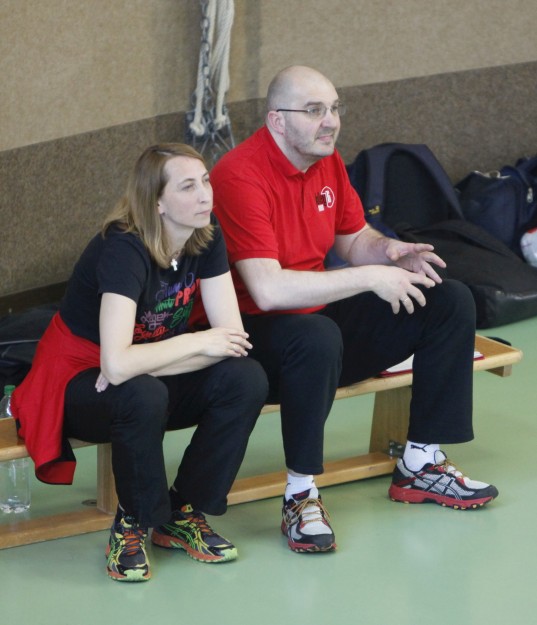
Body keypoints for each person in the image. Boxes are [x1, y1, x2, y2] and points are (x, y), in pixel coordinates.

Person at [203, 65, 499, 554]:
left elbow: (354, 238)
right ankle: (301, 495)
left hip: (321, 322)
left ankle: (421, 463)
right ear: (277, 121)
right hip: (255, 342)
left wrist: (390, 252)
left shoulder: (325, 160)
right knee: (317, 336)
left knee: (447, 299)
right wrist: (369, 277)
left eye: (335, 108)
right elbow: (268, 291)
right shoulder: (239, 175)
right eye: (314, 110)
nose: (331, 122)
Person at [11, 143, 268, 582]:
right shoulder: (123, 248)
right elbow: (115, 366)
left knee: (245, 378)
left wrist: (143, 362)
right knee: (141, 394)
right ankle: (132, 521)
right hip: (77, 380)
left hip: (138, 368)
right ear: (157, 202)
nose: (205, 194)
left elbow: (231, 342)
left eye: (205, 181)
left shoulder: (205, 233)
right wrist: (194, 344)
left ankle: (184, 512)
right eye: (188, 187)